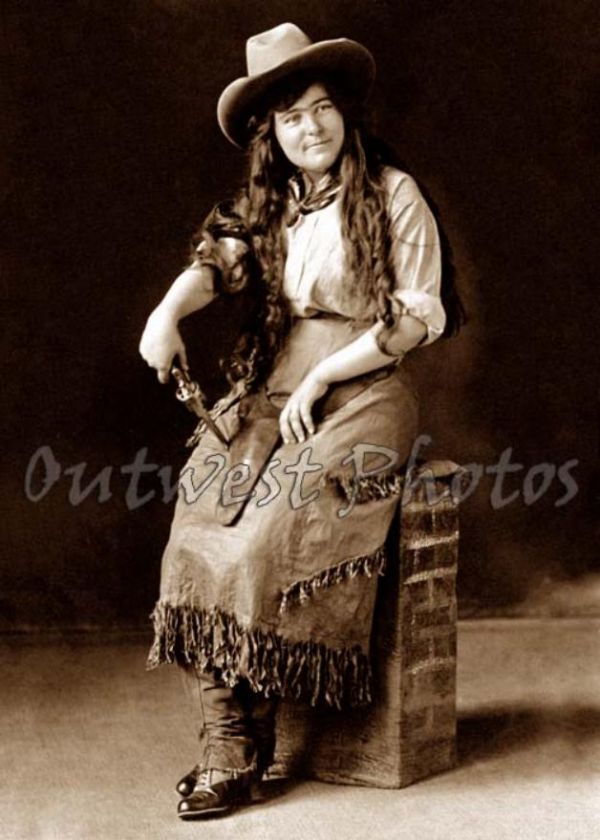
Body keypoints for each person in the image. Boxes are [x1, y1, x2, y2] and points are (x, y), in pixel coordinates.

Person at [139, 22, 463, 820]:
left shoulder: (393, 195)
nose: (309, 127)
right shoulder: (270, 204)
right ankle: (228, 740)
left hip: (364, 389)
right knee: (198, 523)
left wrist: (326, 371)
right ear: (271, 135)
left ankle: (246, 741)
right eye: (290, 118)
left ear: (345, 114)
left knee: (270, 535)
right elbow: (219, 264)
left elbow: (417, 318)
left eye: (320, 108)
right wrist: (165, 312)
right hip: (275, 383)